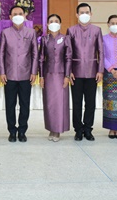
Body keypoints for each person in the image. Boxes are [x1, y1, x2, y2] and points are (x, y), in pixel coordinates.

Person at [0, 5, 39, 143]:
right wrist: (2, 72)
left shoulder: (31, 32)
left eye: (20, 13)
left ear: (25, 15)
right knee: (10, 104)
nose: (17, 15)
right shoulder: (5, 33)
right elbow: (1, 54)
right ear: (10, 17)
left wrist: (34, 71)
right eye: (14, 14)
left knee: (24, 104)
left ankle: (22, 131)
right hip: (9, 75)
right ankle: (12, 131)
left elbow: (35, 54)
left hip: (26, 74)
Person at [67, 2, 104, 141]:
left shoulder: (96, 30)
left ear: (91, 14)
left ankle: (88, 129)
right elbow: (68, 53)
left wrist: (100, 70)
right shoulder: (71, 31)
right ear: (76, 15)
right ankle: (78, 129)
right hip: (75, 73)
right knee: (76, 102)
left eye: (87, 12)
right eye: (81, 13)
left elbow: (101, 51)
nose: (84, 15)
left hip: (92, 72)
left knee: (90, 102)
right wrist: (69, 70)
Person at [39, 14, 72, 142]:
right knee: (49, 103)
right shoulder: (44, 39)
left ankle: (58, 130)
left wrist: (67, 75)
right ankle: (51, 128)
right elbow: (41, 59)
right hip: (48, 75)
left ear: (60, 24)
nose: (53, 23)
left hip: (61, 75)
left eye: (56, 21)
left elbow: (68, 58)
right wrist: (41, 76)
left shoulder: (65, 38)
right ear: (47, 24)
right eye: (51, 21)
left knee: (60, 103)